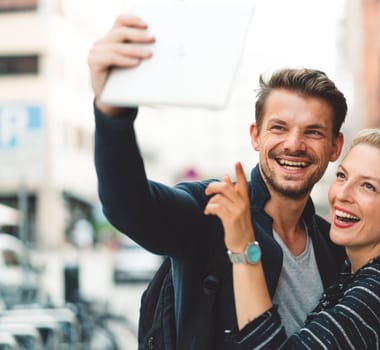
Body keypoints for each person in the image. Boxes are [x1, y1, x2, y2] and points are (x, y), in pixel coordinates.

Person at [88, 15, 348, 349]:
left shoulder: (334, 246)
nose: (294, 144)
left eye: (313, 132)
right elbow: (130, 206)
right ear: (256, 136)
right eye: (279, 128)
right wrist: (112, 113)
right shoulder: (212, 210)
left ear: (335, 147)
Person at [205, 128, 380, 349]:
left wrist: (243, 247)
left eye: (367, 186)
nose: (342, 195)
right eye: (342, 176)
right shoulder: (365, 266)